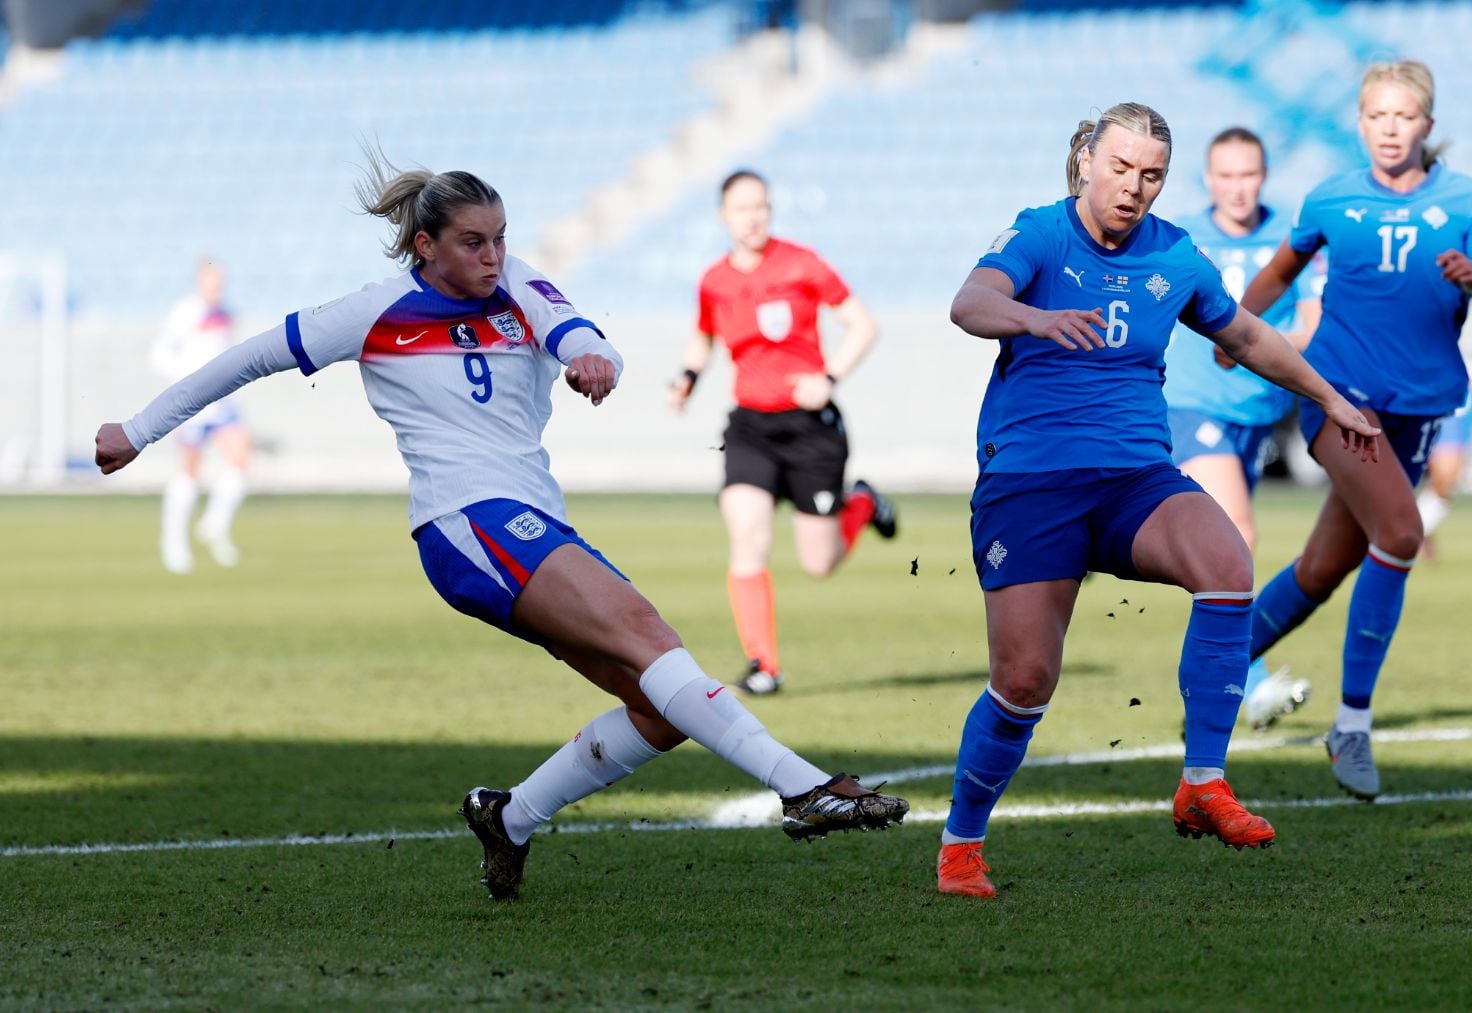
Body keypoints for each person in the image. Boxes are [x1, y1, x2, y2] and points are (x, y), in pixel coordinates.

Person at [93, 152, 908, 901]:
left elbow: (581, 334)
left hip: (532, 518)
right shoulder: (377, 311)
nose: (493, 256)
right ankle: (802, 786)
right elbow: (247, 358)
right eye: (473, 242)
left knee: (659, 710)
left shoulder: (518, 284)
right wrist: (137, 430)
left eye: (500, 238)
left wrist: (597, 360)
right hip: (465, 521)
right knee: (646, 631)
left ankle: (510, 817)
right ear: (425, 247)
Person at [937, 103, 1381, 899]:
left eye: (1149, 175)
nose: (1132, 188)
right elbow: (969, 303)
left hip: (1137, 479)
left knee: (1227, 564)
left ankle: (1202, 781)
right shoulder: (1040, 234)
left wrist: (1331, 397)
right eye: (1119, 168)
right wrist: (1035, 319)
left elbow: (1245, 337)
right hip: (1032, 484)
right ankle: (961, 844)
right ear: (1085, 163)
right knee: (1026, 677)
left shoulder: (1175, 253)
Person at [1236, 60, 1472, 801]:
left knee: (1320, 570)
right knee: (1399, 535)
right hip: (1338, 397)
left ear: (1428, 125)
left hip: (1419, 409)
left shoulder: (1468, 200)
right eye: (1377, 117)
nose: (1390, 130)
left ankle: (1210, 668)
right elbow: (1279, 270)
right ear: (1360, 123)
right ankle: (1352, 725)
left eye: (1404, 118)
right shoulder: (1332, 197)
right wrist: (1232, 326)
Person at [668, 170, 897, 696]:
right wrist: (687, 379)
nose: (752, 217)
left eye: (760, 207)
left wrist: (830, 377)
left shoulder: (801, 263)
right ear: (723, 216)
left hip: (810, 430)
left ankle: (862, 502)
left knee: (819, 562)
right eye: (741, 208)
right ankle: (763, 666)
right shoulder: (714, 280)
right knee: (746, 537)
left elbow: (863, 324)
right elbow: (702, 337)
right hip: (750, 427)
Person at [1167, 126, 1326, 731]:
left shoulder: (1293, 237)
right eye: (1225, 176)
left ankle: (1212, 688)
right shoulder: (1182, 238)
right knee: (1238, 536)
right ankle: (1241, 681)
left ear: (1264, 175)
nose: (1237, 188)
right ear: (1209, 180)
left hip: (1257, 415)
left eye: (1248, 175)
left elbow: (1312, 326)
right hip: (1191, 406)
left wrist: (1251, 344)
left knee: (1223, 559)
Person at [149, 259, 251, 573]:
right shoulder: (186, 312)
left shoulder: (226, 312)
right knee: (190, 472)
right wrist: (189, 382)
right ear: (199, 282)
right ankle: (173, 542)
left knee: (241, 460)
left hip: (221, 403)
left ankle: (214, 526)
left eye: (220, 281)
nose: (216, 287)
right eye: (211, 281)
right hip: (194, 404)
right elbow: (158, 354)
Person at [1415, 354, 1472, 557]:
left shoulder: (1466, 364)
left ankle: (1419, 528)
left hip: (1451, 432)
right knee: (1441, 486)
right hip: (1441, 431)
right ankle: (1415, 529)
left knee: (1445, 488)